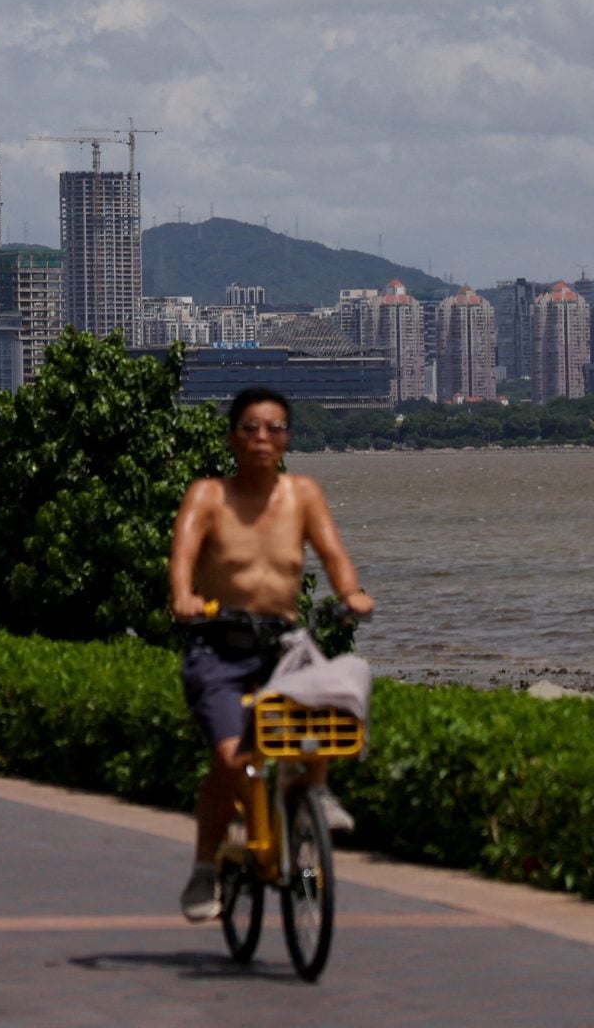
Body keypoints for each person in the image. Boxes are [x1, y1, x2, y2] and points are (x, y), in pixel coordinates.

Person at [169, 386, 375, 923]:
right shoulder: (208, 496)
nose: (263, 438)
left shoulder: (302, 494)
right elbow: (184, 556)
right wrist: (184, 597)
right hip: (217, 644)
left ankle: (313, 794)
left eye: (275, 428)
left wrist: (350, 593)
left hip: (279, 642)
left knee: (328, 698)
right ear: (233, 436)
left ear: (287, 439)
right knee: (228, 759)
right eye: (251, 428)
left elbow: (333, 554)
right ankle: (206, 867)